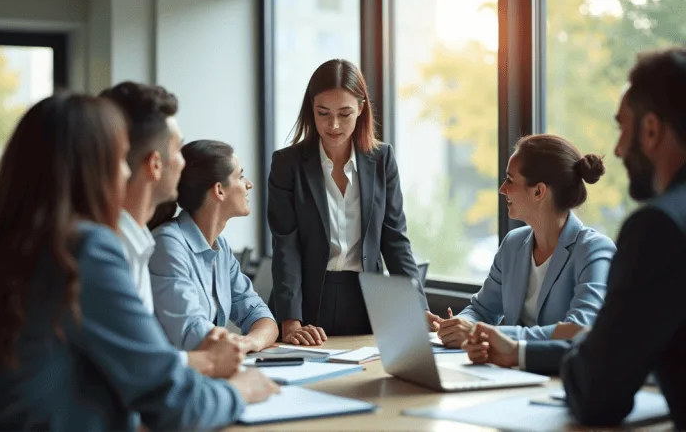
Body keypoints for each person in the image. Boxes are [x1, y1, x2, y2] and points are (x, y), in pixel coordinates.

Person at [0, 94, 279, 431]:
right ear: (91, 168)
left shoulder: (7, 247)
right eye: (119, 159)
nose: (126, 174)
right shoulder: (82, 250)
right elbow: (173, 403)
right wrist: (243, 390)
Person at [461, 47, 686, 429]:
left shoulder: (657, 228)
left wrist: (583, 338)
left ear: (650, 130)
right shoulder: (515, 244)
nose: (616, 149)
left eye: (621, 127)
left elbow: (598, 392)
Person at [267, 58, 431, 346]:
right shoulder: (287, 164)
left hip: (366, 301)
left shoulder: (382, 160)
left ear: (361, 109)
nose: (333, 125)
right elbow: (286, 246)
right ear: (311, 109)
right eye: (323, 113)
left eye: (344, 114)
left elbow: (395, 242)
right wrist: (290, 322)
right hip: (305, 303)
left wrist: (419, 309)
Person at [100, 81, 245, 378]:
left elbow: (144, 359)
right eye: (178, 149)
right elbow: (141, 368)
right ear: (155, 164)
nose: (183, 162)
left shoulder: (138, 244)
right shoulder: (108, 251)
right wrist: (229, 381)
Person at [437, 134, 616, 348]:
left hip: (556, 376)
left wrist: (485, 334)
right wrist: (460, 326)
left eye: (510, 180)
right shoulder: (513, 244)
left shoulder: (594, 251)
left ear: (539, 191)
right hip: (507, 371)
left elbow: (579, 330)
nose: (502, 189)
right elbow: (481, 310)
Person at [148, 140, 278, 352]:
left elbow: (260, 315)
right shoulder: (167, 244)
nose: (249, 184)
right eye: (240, 176)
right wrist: (237, 346)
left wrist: (250, 342)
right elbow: (192, 333)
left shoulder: (222, 249)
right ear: (219, 190)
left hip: (211, 368)